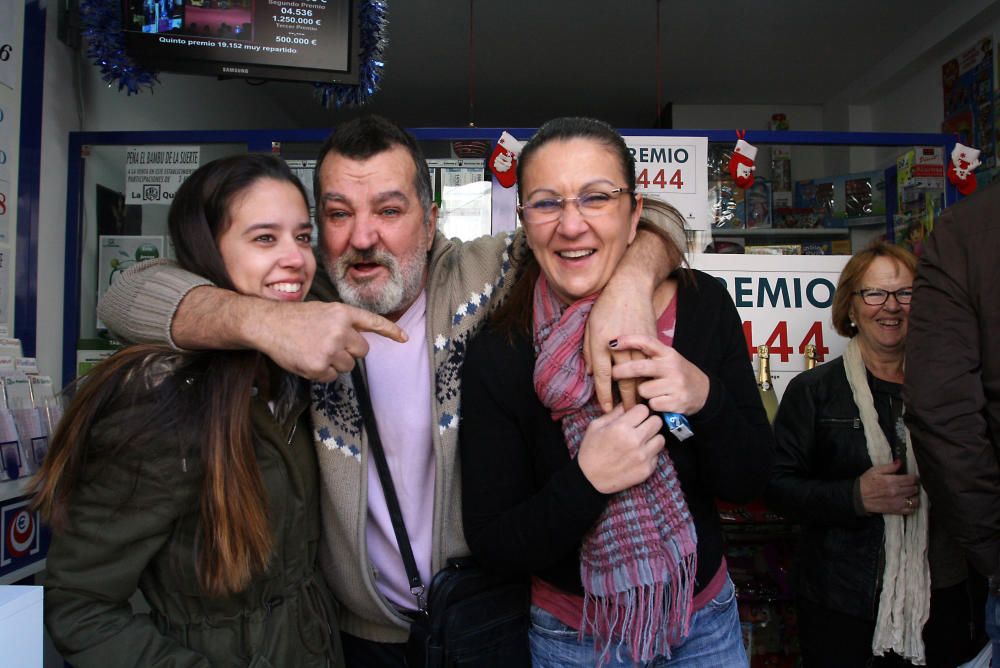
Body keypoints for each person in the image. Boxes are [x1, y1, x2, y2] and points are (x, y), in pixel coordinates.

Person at [96, 115, 681, 665]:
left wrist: (633, 278)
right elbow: (124, 296)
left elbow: (655, 217)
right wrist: (268, 324)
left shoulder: (490, 273)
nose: (362, 237)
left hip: (482, 620)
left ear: (431, 221)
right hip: (354, 637)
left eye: (390, 210)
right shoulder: (299, 293)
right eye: (338, 213)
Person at [458, 117, 774, 666]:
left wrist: (705, 398)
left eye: (596, 198)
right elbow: (495, 543)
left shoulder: (703, 307)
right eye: (546, 203)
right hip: (574, 640)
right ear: (524, 222)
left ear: (634, 217)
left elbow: (749, 480)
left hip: (703, 624)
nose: (571, 224)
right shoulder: (501, 351)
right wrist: (587, 481)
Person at [35, 154, 344, 667]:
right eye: (265, 238)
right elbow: (78, 606)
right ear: (207, 252)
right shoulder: (158, 402)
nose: (295, 258)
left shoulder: (292, 370)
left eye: (304, 236)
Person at [767, 242, 981, 667]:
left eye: (905, 293)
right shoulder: (815, 392)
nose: (892, 307)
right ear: (850, 306)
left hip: (945, 598)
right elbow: (776, 488)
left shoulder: (953, 388)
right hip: (843, 602)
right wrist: (854, 497)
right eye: (875, 294)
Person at [904, 179, 1000, 660]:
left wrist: (990, 549)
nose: (888, 307)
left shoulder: (970, 229)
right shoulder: (971, 232)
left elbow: (941, 411)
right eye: (871, 293)